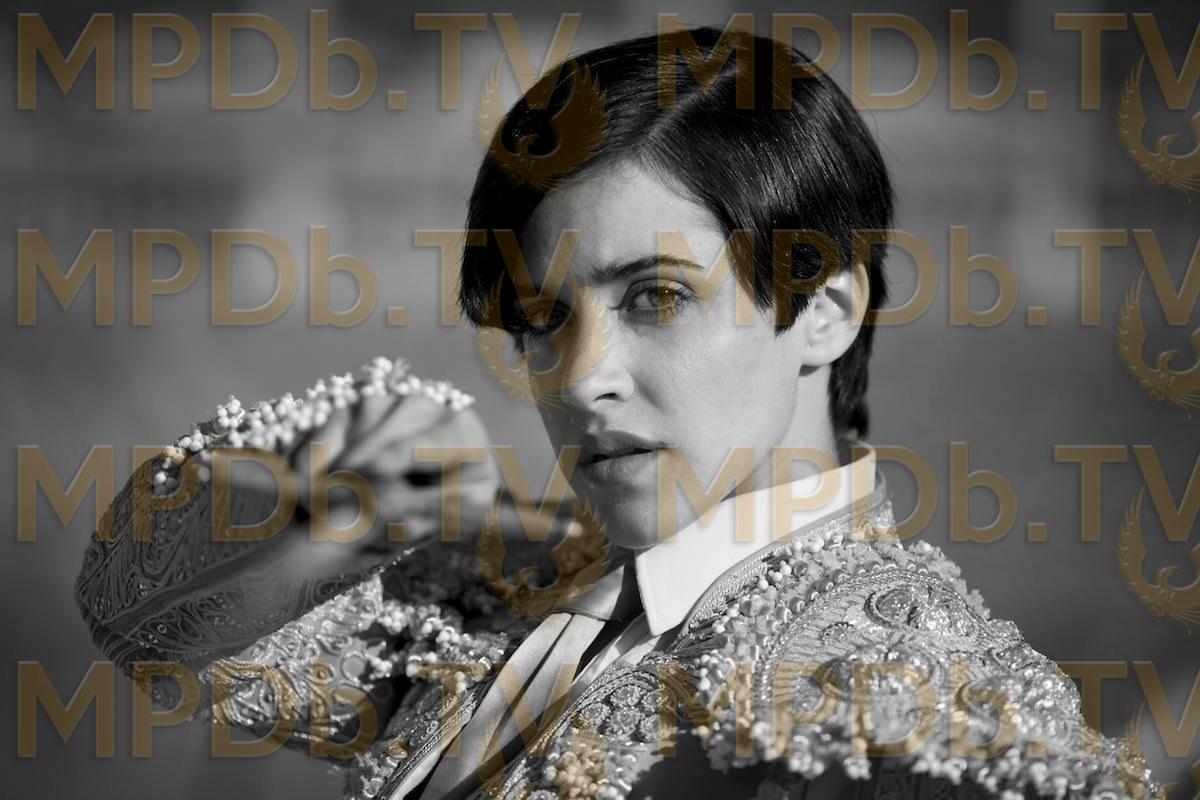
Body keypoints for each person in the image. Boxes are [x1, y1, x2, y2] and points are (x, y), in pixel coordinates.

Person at [75, 26, 1160, 800]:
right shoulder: (508, 586)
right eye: (544, 317)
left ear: (824, 311)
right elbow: (142, 613)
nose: (579, 377)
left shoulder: (907, 688)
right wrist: (332, 496)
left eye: (657, 297)